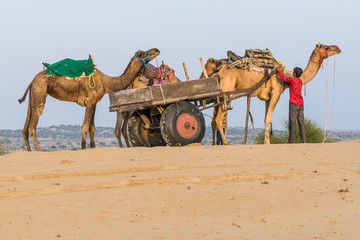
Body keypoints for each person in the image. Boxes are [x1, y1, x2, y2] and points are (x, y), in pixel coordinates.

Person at [276, 66, 306, 143]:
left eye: (293, 72)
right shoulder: (300, 81)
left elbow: (283, 77)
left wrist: (278, 70)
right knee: (301, 123)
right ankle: (304, 141)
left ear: (295, 74)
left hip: (294, 104)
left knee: (292, 123)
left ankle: (291, 141)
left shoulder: (292, 80)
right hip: (301, 104)